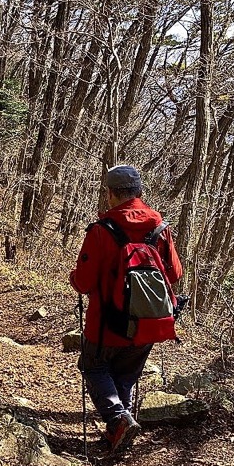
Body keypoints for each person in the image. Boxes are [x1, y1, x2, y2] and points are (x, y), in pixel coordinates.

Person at [69, 165, 183, 451]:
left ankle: (118, 419)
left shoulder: (100, 230)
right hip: (148, 322)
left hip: (106, 322)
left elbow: (83, 282)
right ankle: (118, 432)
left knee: (93, 367)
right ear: (140, 192)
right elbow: (175, 274)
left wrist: (75, 276)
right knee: (127, 375)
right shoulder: (160, 229)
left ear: (110, 194)